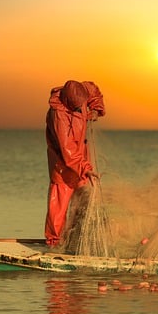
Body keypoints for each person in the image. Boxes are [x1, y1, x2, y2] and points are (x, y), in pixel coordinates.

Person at [45, 80, 105, 249]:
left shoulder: (83, 90)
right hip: (63, 164)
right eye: (78, 108)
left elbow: (95, 93)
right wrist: (85, 168)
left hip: (81, 160)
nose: (81, 110)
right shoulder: (59, 116)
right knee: (58, 205)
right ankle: (54, 242)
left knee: (82, 200)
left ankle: (75, 238)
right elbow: (67, 149)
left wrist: (95, 110)